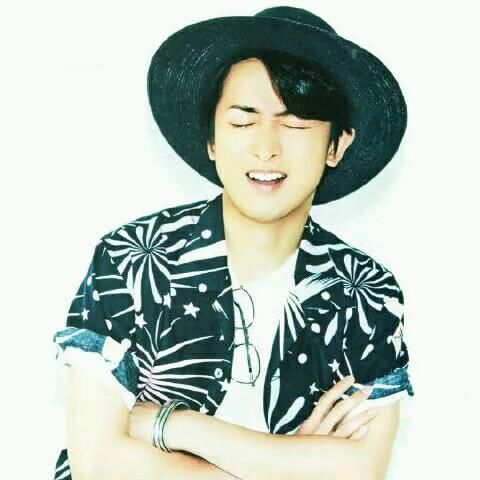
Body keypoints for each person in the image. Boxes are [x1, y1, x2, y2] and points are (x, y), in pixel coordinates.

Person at [52, 5, 414, 480]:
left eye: (295, 124)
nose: (266, 147)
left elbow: (360, 471)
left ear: (336, 145)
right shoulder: (131, 259)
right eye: (243, 122)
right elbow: (99, 464)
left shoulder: (365, 291)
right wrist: (291, 465)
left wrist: (174, 425)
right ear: (212, 140)